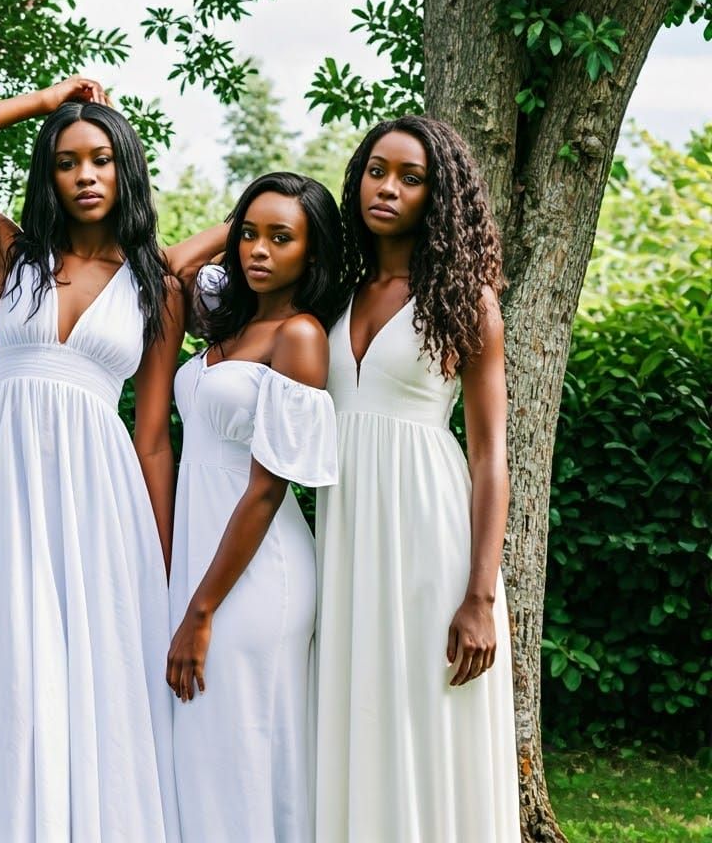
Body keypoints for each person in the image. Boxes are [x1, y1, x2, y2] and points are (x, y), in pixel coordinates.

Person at [0, 76, 221, 841]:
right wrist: (39, 103)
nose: (85, 175)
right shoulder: (10, 253)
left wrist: (164, 571)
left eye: (101, 158)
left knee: (96, 681)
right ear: (50, 175)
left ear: (124, 167)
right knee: (5, 670)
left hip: (102, 510)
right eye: (67, 161)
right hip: (5, 500)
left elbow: (153, 438)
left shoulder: (153, 289)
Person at [314, 115, 520, 841]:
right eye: (376, 170)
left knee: (428, 711)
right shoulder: (331, 290)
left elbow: (491, 454)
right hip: (343, 534)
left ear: (439, 197)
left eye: (410, 177)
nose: (388, 188)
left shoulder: (466, 303)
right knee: (354, 706)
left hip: (428, 535)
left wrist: (481, 595)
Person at [165, 171, 345, 841]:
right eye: (248, 233)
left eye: (281, 238)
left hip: (254, 574)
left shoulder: (297, 338)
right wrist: (238, 217)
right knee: (207, 755)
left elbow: (268, 489)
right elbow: (175, 264)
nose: (256, 250)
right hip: (205, 562)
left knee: (244, 753)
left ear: (313, 253)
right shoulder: (229, 320)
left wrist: (201, 612)